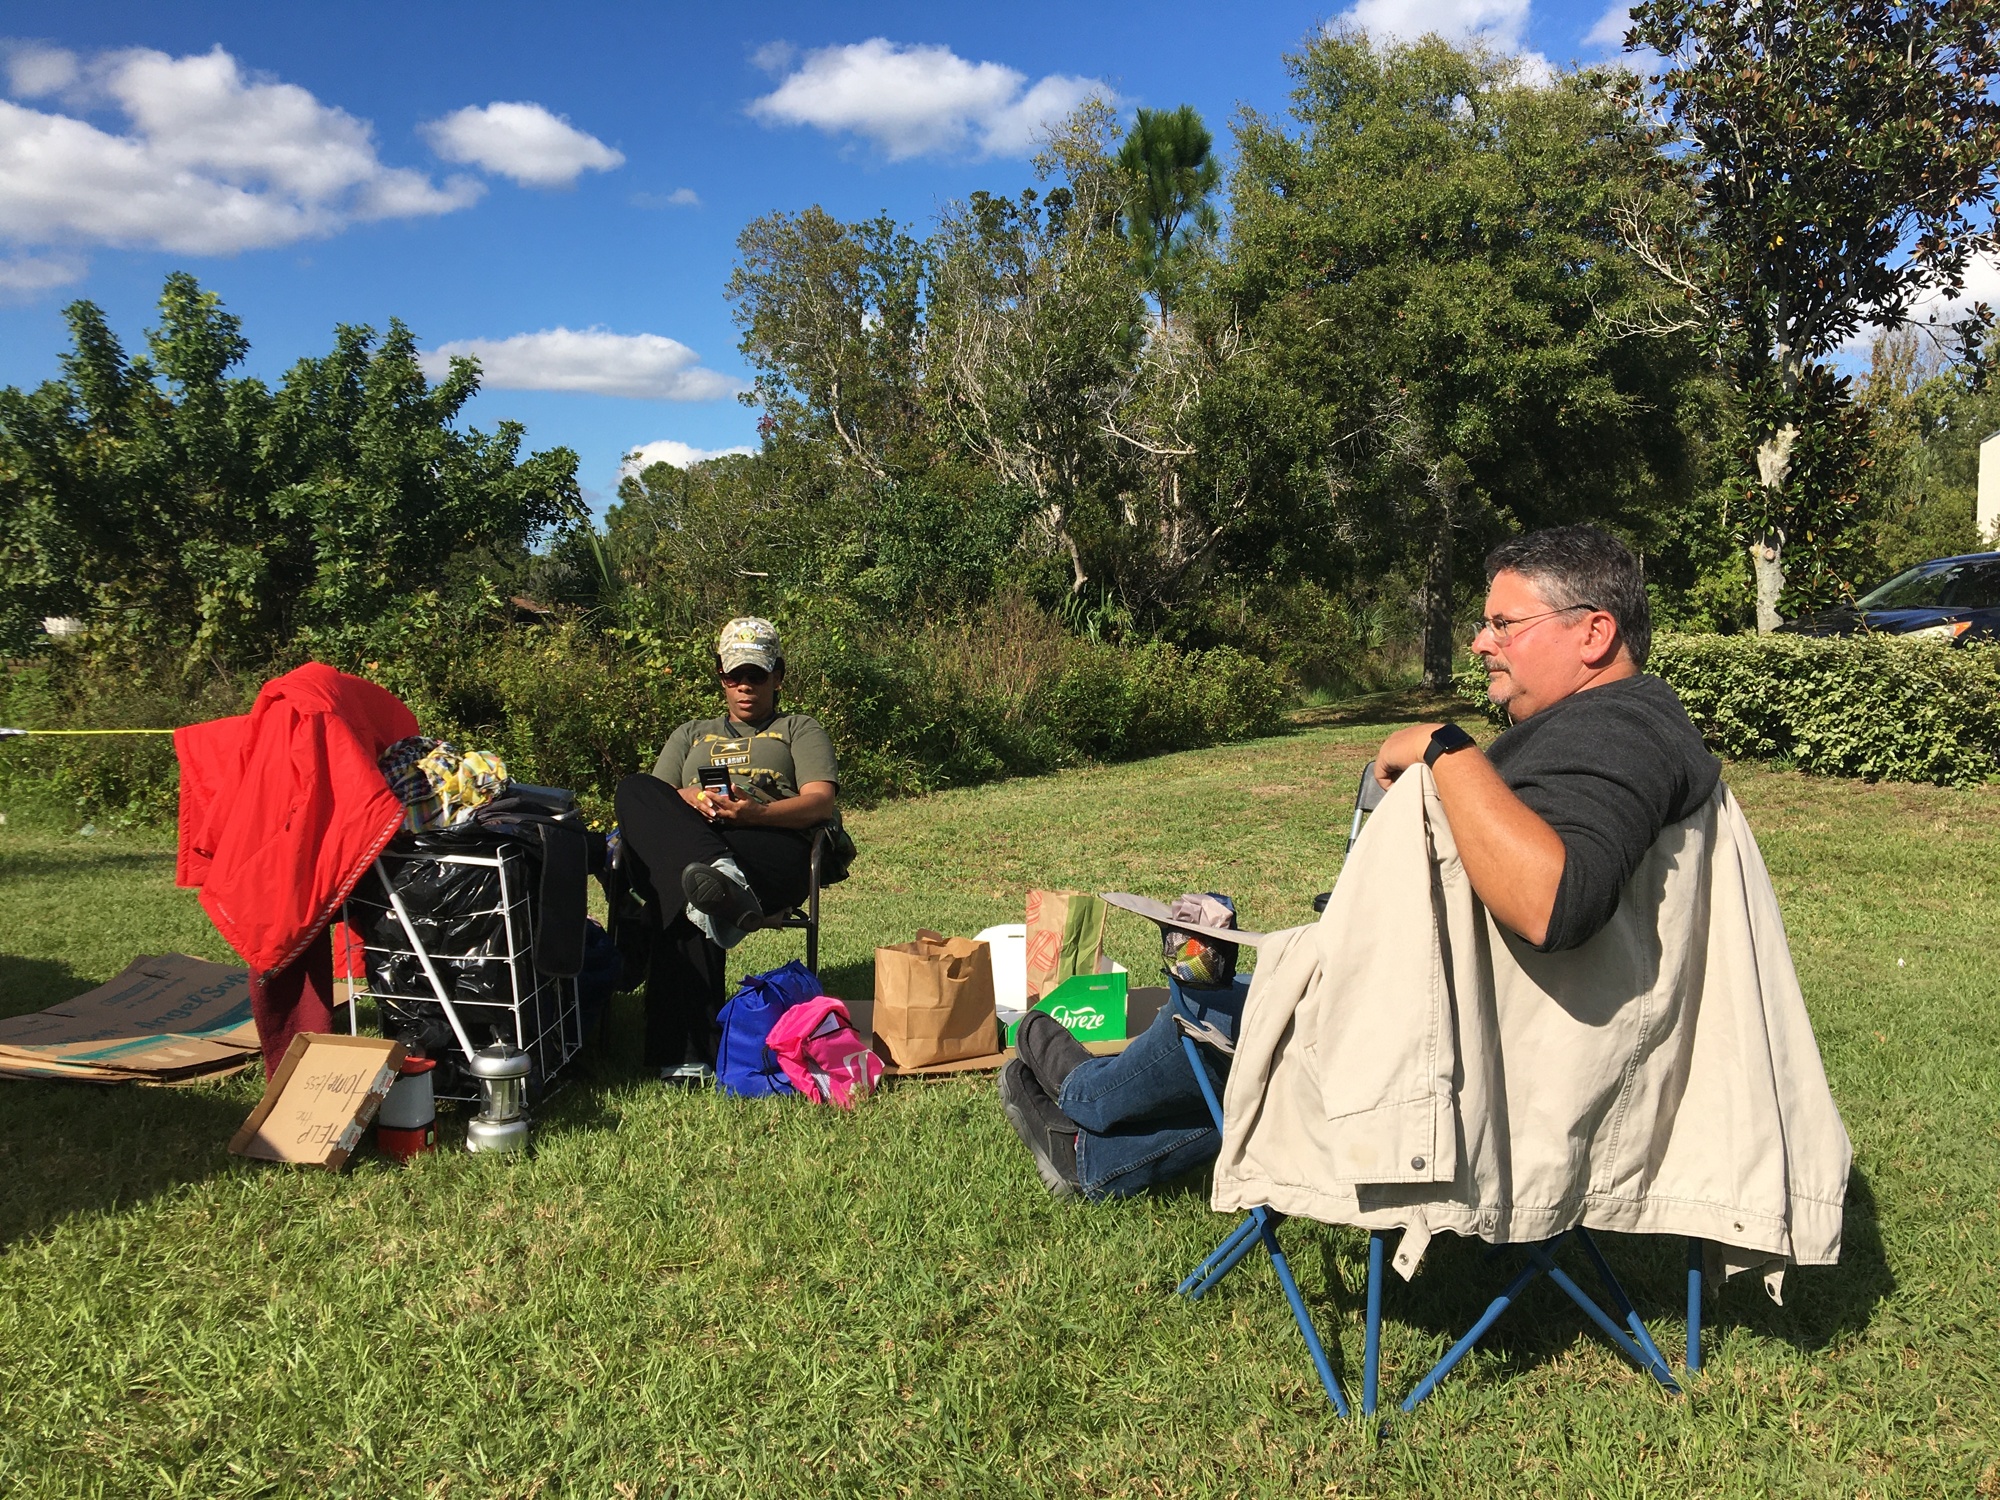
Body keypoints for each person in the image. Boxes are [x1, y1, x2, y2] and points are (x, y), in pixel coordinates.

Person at [999, 523, 1721, 1197]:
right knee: (1262, 986)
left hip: (1457, 1062)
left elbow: (1551, 901)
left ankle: (1084, 1095)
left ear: (1595, 633)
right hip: (1477, 1026)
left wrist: (1443, 747)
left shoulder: (1617, 732)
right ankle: (1096, 1155)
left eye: (1504, 623)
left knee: (1221, 1002)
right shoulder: (1619, 724)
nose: (1479, 642)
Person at [613, 617, 839, 1079]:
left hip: (770, 845)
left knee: (681, 884)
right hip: (699, 844)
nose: (744, 686)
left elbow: (819, 803)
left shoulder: (799, 728)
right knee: (633, 791)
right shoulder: (690, 733)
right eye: (733, 675)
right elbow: (654, 801)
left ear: (778, 675)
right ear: (720, 677)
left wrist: (754, 814)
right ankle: (719, 881)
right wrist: (692, 798)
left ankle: (683, 1052)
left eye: (755, 675)